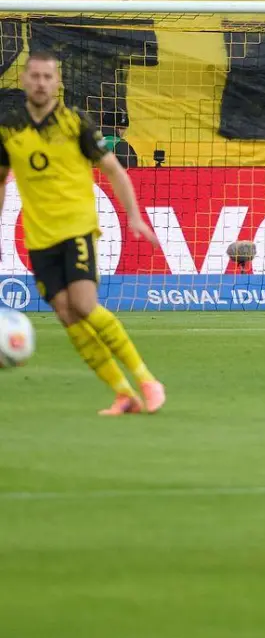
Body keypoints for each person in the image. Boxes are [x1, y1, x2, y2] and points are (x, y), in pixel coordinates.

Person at [0, 52, 164, 414]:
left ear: (58, 83)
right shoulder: (8, 129)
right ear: (25, 81)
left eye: (48, 77)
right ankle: (123, 393)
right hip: (39, 238)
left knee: (84, 305)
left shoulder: (76, 124)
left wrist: (134, 216)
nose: (41, 83)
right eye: (35, 76)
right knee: (65, 313)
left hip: (76, 228)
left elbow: (114, 170)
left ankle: (147, 380)